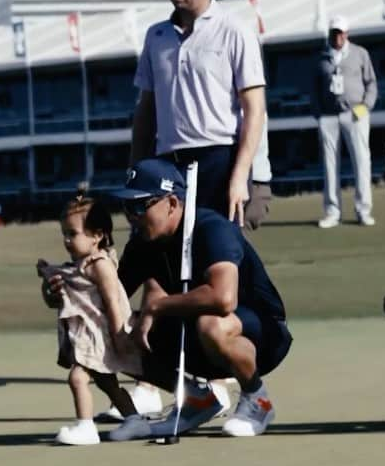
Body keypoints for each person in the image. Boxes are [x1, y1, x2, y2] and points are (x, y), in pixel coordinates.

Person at [107, 159, 293, 440]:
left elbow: (223, 299)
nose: (131, 217)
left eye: (138, 206)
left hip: (261, 332)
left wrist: (155, 307)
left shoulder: (211, 228)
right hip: (193, 334)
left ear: (171, 203)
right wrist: (64, 289)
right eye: (126, 208)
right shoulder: (143, 243)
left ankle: (258, 399)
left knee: (212, 325)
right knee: (117, 327)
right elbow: (112, 295)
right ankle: (196, 399)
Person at [131, 0, 266, 224]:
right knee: (167, 259)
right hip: (167, 162)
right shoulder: (156, 36)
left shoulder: (234, 30)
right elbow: (146, 111)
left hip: (219, 157)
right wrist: (137, 170)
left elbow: (254, 109)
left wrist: (240, 176)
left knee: (218, 255)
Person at [37, 193, 143, 446]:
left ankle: (86, 427)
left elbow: (114, 301)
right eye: (64, 233)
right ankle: (135, 420)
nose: (66, 240)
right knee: (108, 384)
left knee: (77, 377)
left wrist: (119, 334)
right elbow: (59, 299)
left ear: (96, 235)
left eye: (73, 233)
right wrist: (50, 284)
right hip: (86, 335)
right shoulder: (77, 266)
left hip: (101, 335)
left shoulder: (100, 264)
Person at [311, 14, 378, 228]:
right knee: (330, 166)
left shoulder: (360, 54)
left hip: (355, 114)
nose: (338, 36)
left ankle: (363, 210)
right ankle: (332, 211)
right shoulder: (320, 57)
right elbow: (313, 90)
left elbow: (371, 84)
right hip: (328, 117)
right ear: (329, 34)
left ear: (346, 33)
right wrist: (318, 114)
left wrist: (365, 107)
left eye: (341, 32)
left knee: (361, 162)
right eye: (334, 32)